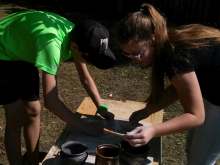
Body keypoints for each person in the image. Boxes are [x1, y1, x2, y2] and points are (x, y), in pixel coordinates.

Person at [0, 11, 116, 165]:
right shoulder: (52, 45)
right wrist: (85, 127)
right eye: (90, 59)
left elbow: (85, 78)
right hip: (2, 50)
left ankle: (33, 162)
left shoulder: (79, 36)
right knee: (15, 117)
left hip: (22, 48)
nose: (90, 63)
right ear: (74, 47)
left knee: (33, 110)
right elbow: (51, 101)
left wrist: (101, 107)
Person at [114, 3, 220, 165]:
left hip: (217, 100)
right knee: (193, 149)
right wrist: (149, 110)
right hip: (212, 91)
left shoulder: (176, 57)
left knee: (200, 160)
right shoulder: (170, 42)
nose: (134, 60)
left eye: (137, 53)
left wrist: (153, 130)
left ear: (153, 39)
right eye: (128, 55)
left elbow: (196, 116)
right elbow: (180, 89)